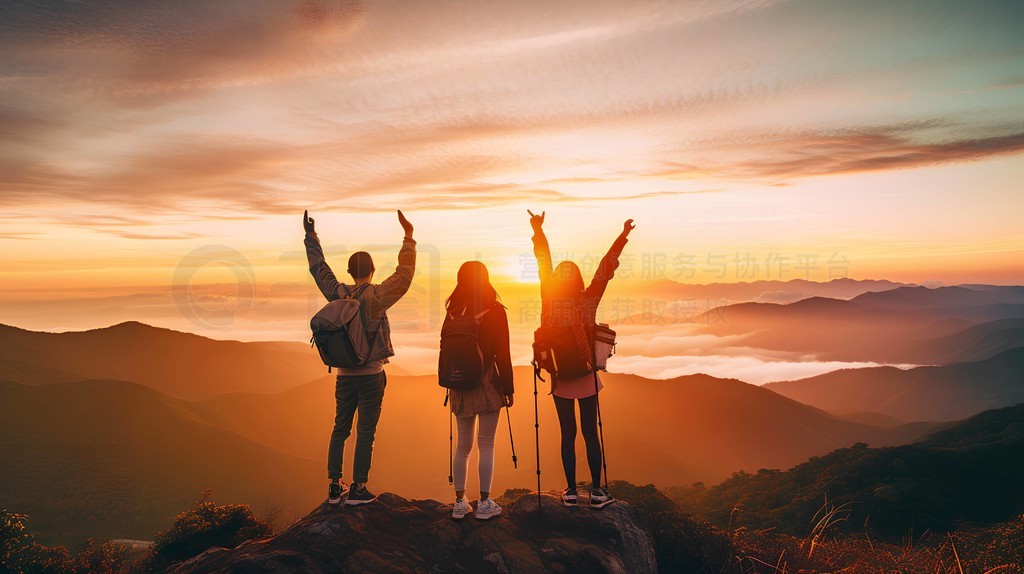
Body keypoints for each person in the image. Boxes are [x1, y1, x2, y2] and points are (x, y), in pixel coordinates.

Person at [304, 209, 416, 506]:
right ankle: (358, 487)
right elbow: (404, 277)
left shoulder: (337, 294)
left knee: (340, 428)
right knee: (366, 431)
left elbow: (320, 270)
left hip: (343, 376)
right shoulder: (376, 297)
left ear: (350, 271)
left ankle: (333, 484)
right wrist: (409, 237)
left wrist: (311, 237)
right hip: (370, 376)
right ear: (372, 270)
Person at [528, 209, 634, 507]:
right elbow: (605, 269)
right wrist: (622, 237)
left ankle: (572, 491)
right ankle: (598, 491)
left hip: (560, 377)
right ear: (578, 279)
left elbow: (543, 262)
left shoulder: (549, 299)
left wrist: (538, 231)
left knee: (567, 433)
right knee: (590, 432)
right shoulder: (588, 301)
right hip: (587, 375)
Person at [443, 261, 514, 520]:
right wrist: (508, 388)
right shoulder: (495, 310)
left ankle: (460, 502)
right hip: (486, 383)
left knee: (462, 446)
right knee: (486, 444)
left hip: (459, 383)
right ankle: (484, 503)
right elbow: (503, 353)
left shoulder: (452, 311)